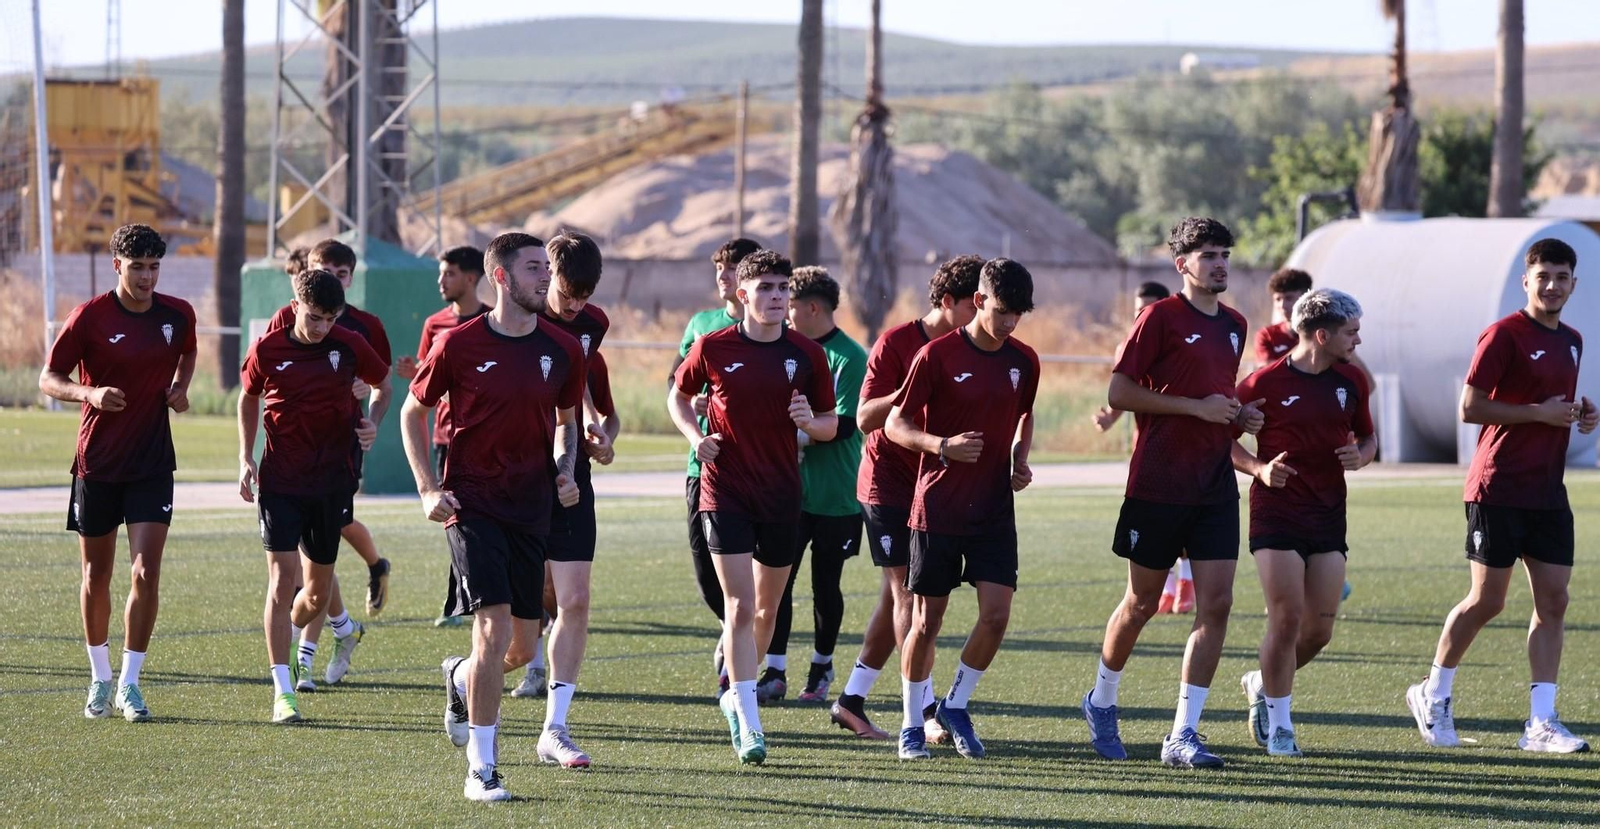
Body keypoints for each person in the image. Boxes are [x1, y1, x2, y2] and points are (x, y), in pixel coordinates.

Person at [401, 232, 585, 801]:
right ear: (500, 276)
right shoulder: (458, 344)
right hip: (471, 504)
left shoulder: (563, 349)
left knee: (521, 650)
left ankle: (460, 677)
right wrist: (428, 489)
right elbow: (413, 411)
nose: (544, 278)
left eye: (545, 269)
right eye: (534, 268)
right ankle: (482, 770)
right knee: (493, 627)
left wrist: (563, 467)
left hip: (532, 508)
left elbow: (566, 420)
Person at [1082, 217, 1264, 770]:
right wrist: (1196, 407)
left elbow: (1216, 397)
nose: (1220, 263)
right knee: (1140, 603)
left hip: (1213, 485)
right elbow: (1120, 390)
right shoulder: (1158, 318)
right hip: (1158, 485)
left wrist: (1238, 415)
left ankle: (1182, 734)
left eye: (1224, 254)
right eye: (1208, 255)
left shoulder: (1235, 323)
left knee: (1217, 606)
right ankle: (1102, 700)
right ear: (1181, 264)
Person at [1407, 238, 1597, 754]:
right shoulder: (1503, 334)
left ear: (1573, 284)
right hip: (1497, 486)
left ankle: (1540, 723)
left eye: (1562, 276)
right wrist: (1538, 412)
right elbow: (1470, 407)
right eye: (1544, 276)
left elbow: (1548, 401)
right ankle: (1434, 692)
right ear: (1527, 281)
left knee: (1554, 601)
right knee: (1487, 600)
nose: (1553, 285)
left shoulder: (1573, 340)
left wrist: (1580, 413)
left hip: (1547, 490)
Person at [669, 249, 837, 764]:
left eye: (783, 289)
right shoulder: (712, 346)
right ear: (742, 295)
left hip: (783, 494)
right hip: (726, 491)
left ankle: (734, 691)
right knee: (740, 607)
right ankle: (747, 718)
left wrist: (809, 421)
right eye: (765, 288)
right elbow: (677, 397)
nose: (777, 298)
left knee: (765, 611)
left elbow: (830, 424)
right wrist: (695, 438)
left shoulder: (806, 355)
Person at [40, 223, 196, 723]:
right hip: (99, 463)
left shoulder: (178, 314)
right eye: (137, 267)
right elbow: (49, 378)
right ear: (117, 266)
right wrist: (89, 394)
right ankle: (99, 676)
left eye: (154, 267)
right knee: (96, 575)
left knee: (146, 572)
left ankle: (130, 683)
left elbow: (188, 351)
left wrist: (180, 387)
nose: (147, 276)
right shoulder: (88, 318)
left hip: (152, 462)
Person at [885, 258, 1038, 761]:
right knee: (926, 624)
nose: (1011, 322)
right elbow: (894, 425)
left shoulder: (1025, 360)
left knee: (996, 617)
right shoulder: (935, 356)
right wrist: (942, 444)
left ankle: (954, 705)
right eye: (1003, 311)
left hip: (993, 509)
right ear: (979, 301)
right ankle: (912, 723)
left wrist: (1020, 456)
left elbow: (1024, 415)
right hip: (939, 509)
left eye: (1020, 314)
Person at [830, 255, 980, 741]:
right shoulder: (899, 342)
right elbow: (864, 416)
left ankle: (851, 700)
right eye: (973, 304)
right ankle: (926, 708)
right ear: (947, 301)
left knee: (895, 598)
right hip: (887, 486)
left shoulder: (975, 347)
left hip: (932, 488)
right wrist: (913, 388)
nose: (981, 312)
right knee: (909, 596)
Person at [238, 268, 389, 725]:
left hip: (331, 482)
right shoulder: (269, 346)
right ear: (294, 304)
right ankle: (283, 689)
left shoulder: (348, 345)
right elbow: (248, 397)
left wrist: (373, 422)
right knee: (282, 583)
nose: (320, 327)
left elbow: (383, 385)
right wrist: (245, 456)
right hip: (280, 482)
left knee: (316, 595)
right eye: (313, 317)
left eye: (329, 318)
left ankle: (337, 630)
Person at [1232, 289, 1376, 757]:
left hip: (1329, 513)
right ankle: (1280, 726)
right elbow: (1219, 440)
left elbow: (1371, 439)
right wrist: (1258, 469)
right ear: (1322, 335)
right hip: (1277, 511)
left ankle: (1262, 681)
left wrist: (1363, 456)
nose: (1357, 339)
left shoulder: (1353, 380)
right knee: (1287, 616)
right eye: (1350, 332)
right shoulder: (1261, 385)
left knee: (1319, 631)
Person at [511, 230, 617, 767]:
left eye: (584, 297)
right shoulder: (512, 320)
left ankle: (555, 728)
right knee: (516, 631)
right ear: (545, 274)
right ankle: (463, 673)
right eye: (567, 295)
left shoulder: (590, 327)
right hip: (512, 483)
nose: (574, 307)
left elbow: (594, 400)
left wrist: (604, 436)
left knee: (575, 601)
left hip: (571, 477)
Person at [764, 266, 867, 705]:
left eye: (789, 303)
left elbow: (845, 425)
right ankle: (775, 669)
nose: (783, 312)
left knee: (826, 584)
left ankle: (822, 664)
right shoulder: (786, 350)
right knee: (777, 583)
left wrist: (796, 436)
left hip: (836, 494)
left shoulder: (851, 357)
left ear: (810, 307)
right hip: (788, 492)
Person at [669, 237, 762, 695]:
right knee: (709, 575)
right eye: (720, 268)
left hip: (762, 476)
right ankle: (731, 630)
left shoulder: (781, 339)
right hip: (702, 468)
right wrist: (697, 402)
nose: (723, 276)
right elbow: (677, 383)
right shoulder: (703, 328)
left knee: (764, 582)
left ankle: (752, 661)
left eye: (733, 268)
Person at [396, 245, 492, 629]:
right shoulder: (435, 324)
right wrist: (414, 371)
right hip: (443, 437)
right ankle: (465, 598)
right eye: (441, 273)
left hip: (483, 439)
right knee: (454, 519)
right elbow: (428, 377)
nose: (441, 281)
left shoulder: (493, 322)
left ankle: (477, 597)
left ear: (471, 278)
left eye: (449, 273)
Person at [1091, 281, 1195, 616]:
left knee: (1184, 522)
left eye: (1148, 307)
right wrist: (1110, 417)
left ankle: (1187, 582)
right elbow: (1127, 387)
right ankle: (1166, 588)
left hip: (1185, 450)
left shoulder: (1180, 341)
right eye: (1138, 308)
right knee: (1153, 530)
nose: (1142, 314)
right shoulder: (1130, 343)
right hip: (1147, 452)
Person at [1252, 268, 1312, 366]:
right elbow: (1268, 372)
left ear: (1305, 298)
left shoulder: (1322, 334)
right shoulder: (1267, 336)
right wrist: (1304, 346)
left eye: (1289, 298)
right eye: (1278, 299)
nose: (1283, 306)